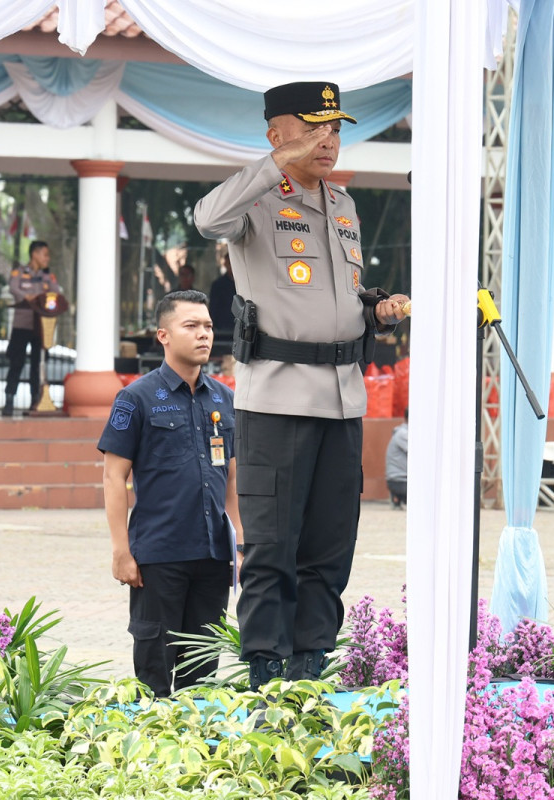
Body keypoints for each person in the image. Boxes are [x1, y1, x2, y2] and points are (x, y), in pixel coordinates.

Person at [194, 81, 409, 689]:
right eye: (315, 128)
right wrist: (274, 167)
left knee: (329, 548)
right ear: (276, 134)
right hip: (278, 397)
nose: (329, 140)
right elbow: (207, 219)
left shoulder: (342, 205)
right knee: (271, 550)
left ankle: (312, 662)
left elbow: (332, 298)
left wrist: (375, 310)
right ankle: (265, 668)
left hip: (343, 398)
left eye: (336, 129)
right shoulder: (256, 199)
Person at [98, 290, 241, 697]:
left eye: (209, 327)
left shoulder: (224, 399)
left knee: (203, 670)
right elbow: (114, 477)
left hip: (214, 555)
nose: (204, 335)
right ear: (163, 335)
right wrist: (120, 551)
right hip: (158, 555)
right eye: (191, 326)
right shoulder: (136, 398)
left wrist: (242, 545)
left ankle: (200, 750)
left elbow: (232, 476)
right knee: (154, 667)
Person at [3, 240, 59, 416]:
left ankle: (36, 400)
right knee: (16, 362)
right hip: (22, 325)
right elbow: (14, 288)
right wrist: (29, 297)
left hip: (40, 327)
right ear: (34, 254)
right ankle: (9, 399)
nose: (47, 259)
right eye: (45, 254)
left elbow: (55, 292)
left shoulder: (47, 276)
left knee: (38, 364)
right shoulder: (19, 272)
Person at [209, 249, 236, 357]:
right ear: (225, 263)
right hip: (222, 329)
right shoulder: (218, 284)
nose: (232, 266)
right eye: (229, 263)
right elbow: (213, 307)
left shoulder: (245, 283)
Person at [385, 408, 408, 508]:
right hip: (399, 481)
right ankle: (398, 497)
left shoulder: (403, 432)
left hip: (403, 480)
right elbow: (421, 454)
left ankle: (398, 498)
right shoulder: (403, 434)